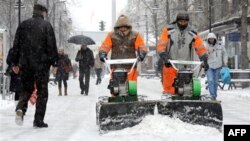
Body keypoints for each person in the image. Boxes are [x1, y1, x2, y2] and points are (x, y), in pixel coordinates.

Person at [11, 4, 58, 128]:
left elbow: (16, 46)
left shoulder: (23, 25)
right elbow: (51, 46)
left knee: (27, 89)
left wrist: (15, 63)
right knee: (42, 92)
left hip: (25, 64)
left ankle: (20, 108)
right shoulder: (46, 26)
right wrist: (54, 62)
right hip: (42, 66)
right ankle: (38, 120)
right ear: (43, 13)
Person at [157, 11, 208, 96]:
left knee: (187, 89)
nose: (183, 23)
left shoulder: (193, 33)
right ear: (177, 21)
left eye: (185, 21)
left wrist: (204, 58)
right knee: (169, 89)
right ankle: (169, 104)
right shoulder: (169, 30)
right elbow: (161, 45)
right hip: (170, 63)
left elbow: (200, 47)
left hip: (186, 64)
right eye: (181, 21)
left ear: (188, 21)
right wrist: (164, 55)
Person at [98, 15, 148, 96]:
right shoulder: (111, 35)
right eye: (121, 27)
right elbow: (105, 46)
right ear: (117, 27)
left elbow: (141, 46)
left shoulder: (135, 35)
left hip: (131, 66)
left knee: (132, 89)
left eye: (125, 26)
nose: (123, 28)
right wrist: (103, 53)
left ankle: (132, 101)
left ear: (128, 26)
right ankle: (115, 101)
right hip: (116, 66)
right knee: (115, 88)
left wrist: (142, 53)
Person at [205, 32, 228, 100]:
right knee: (210, 80)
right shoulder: (206, 46)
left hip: (218, 66)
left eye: (212, 39)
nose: (211, 40)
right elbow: (203, 55)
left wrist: (225, 62)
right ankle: (212, 95)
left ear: (215, 39)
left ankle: (214, 96)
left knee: (215, 82)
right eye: (210, 39)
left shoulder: (220, 45)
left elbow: (225, 54)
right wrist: (208, 52)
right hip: (209, 66)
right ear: (208, 39)